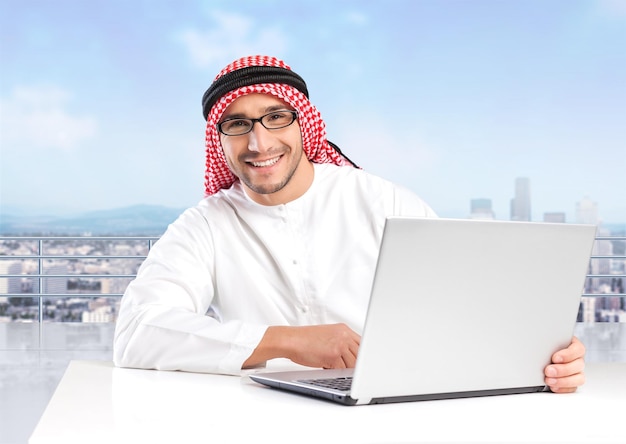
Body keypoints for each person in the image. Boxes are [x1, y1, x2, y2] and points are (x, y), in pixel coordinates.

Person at [113, 55, 585, 393]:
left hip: (395, 407)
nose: (259, 142)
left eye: (275, 117)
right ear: (220, 140)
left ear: (304, 125)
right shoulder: (206, 225)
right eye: (237, 125)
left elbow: (473, 304)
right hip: (260, 418)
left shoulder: (380, 199)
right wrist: (288, 342)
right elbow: (137, 333)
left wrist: (548, 356)